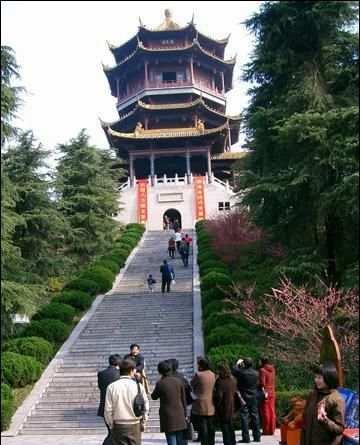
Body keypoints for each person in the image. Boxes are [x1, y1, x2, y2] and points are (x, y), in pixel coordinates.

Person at [104, 358, 149, 445]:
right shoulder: (138, 386)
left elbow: (108, 409)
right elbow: (145, 406)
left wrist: (111, 424)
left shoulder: (112, 387)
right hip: (135, 424)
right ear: (132, 370)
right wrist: (144, 421)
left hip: (118, 425)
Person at [300, 362, 345, 445]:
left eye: (320, 378)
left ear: (329, 378)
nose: (316, 380)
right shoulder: (312, 395)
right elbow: (305, 423)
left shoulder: (336, 399)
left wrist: (325, 420)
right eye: (315, 377)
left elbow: (340, 429)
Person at [151, 360, 187, 445]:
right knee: (180, 439)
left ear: (160, 371)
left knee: (171, 438)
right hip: (179, 413)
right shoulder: (179, 381)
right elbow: (183, 399)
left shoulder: (160, 383)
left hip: (167, 415)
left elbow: (154, 396)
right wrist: (185, 413)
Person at [232, 357, 261, 443]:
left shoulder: (241, 372)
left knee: (244, 417)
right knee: (255, 416)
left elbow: (233, 370)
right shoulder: (256, 373)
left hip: (244, 396)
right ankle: (257, 437)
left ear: (244, 364)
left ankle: (246, 438)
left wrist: (238, 363)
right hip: (254, 396)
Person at [191, 357, 216, 445]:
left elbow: (192, 384)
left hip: (200, 404)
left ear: (201, 366)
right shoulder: (213, 374)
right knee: (211, 426)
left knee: (203, 426)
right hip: (211, 403)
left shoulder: (198, 375)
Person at [97, 354, 122, 445]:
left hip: (105, 406)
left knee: (111, 432)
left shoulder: (101, 374)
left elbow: (100, 387)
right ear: (119, 363)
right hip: (118, 407)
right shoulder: (120, 374)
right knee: (115, 434)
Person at [214, 363, 237, 445]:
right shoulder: (233, 379)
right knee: (231, 427)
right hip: (231, 406)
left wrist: (216, 405)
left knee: (225, 428)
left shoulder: (220, 381)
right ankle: (233, 442)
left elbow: (219, 396)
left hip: (223, 407)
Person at [259, 357, 276, 435]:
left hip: (266, 392)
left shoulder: (262, 370)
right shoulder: (273, 369)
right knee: (272, 411)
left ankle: (266, 430)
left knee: (265, 411)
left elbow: (262, 383)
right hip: (272, 391)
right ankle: (272, 429)